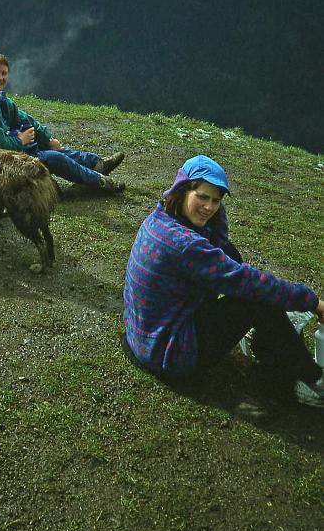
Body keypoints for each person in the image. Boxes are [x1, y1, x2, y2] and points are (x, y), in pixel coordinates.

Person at [122, 154, 324, 408]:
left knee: (234, 261)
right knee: (255, 297)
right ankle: (312, 381)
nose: (209, 207)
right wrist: (313, 302)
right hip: (170, 355)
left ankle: (270, 341)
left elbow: (223, 250)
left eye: (216, 200)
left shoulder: (160, 219)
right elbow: (248, 281)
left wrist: (208, 210)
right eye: (202, 197)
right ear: (183, 190)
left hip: (144, 337)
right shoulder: (186, 245)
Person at [0, 53, 125, 192]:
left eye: (4, 73)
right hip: (1, 163)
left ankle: (98, 164)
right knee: (56, 158)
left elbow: (22, 117)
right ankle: (101, 181)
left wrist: (48, 138)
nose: (0, 78)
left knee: (53, 149)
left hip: (14, 151)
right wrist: (21, 140)